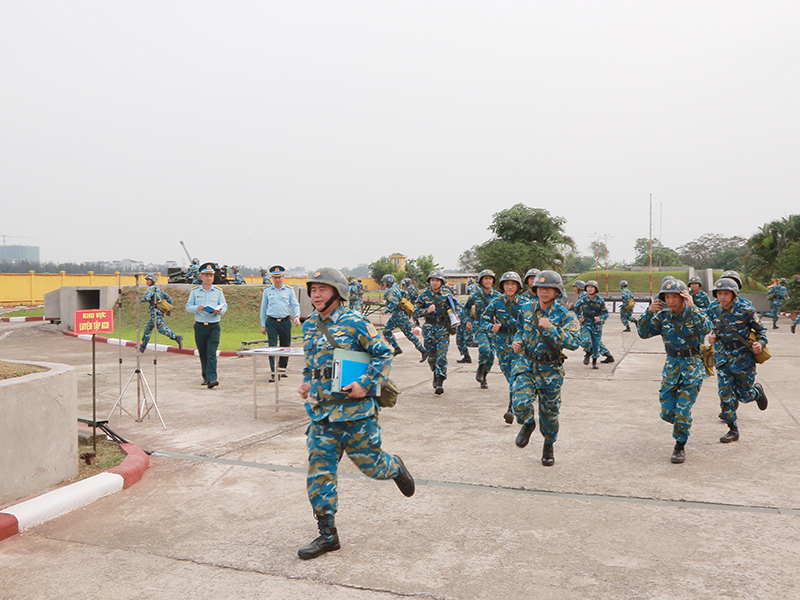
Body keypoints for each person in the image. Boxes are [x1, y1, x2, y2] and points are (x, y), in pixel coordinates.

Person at [297, 267, 414, 560]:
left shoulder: (356, 322)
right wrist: (307, 380)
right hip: (323, 415)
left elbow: (384, 353)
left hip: (356, 413)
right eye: (313, 290)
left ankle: (394, 467)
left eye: (322, 289)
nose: (316, 294)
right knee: (319, 472)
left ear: (337, 292)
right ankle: (328, 535)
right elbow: (311, 361)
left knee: (371, 466)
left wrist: (365, 383)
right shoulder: (310, 325)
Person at [636, 279, 711, 464]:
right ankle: (681, 423)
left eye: (674, 297)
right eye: (667, 297)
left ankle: (680, 445)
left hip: (692, 367)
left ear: (683, 297)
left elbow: (707, 328)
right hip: (671, 368)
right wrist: (648, 312)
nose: (671, 301)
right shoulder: (663, 316)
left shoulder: (694, 313)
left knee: (682, 411)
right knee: (667, 412)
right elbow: (643, 333)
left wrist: (692, 308)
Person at [510, 271, 581, 466]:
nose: (543, 291)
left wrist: (552, 329)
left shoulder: (565, 315)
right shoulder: (526, 309)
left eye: (548, 288)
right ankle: (528, 423)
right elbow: (519, 329)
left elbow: (575, 342)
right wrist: (517, 341)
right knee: (520, 400)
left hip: (550, 369)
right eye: (540, 288)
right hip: (527, 364)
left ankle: (548, 444)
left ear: (556, 291)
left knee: (549, 416)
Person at [706, 277, 769, 443]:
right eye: (719, 293)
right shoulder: (713, 308)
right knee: (724, 394)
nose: (722, 297)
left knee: (744, 395)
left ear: (733, 294)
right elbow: (710, 326)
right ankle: (733, 430)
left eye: (726, 293)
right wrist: (713, 336)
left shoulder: (745, 308)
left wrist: (760, 345)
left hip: (743, 359)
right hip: (723, 358)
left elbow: (761, 332)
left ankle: (757, 392)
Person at [482, 271, 524, 424]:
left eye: (513, 284)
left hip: (519, 345)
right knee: (509, 375)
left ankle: (511, 408)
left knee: (515, 376)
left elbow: (533, 322)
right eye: (507, 284)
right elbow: (483, 319)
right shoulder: (496, 302)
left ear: (518, 286)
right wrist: (490, 327)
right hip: (501, 346)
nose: (510, 287)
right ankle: (520, 396)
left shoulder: (525, 303)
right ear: (502, 286)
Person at [185, 262, 227, 389]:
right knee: (203, 353)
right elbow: (188, 307)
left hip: (214, 325)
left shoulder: (218, 292)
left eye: (211, 275)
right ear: (201, 277)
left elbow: (224, 306)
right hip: (200, 325)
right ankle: (206, 376)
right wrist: (196, 308)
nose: (209, 278)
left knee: (211, 352)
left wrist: (220, 310)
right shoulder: (195, 292)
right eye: (206, 275)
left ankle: (212, 378)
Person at [260, 264, 302, 382]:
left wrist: (297, 316)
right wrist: (263, 325)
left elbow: (294, 304)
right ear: (272, 278)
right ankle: (274, 372)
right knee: (272, 347)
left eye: (279, 277)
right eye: (275, 277)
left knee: (285, 346)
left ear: (283, 277)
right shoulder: (267, 291)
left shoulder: (289, 290)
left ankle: (282, 369)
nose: (277, 280)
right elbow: (263, 308)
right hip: (272, 321)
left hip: (285, 321)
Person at [414, 270, 453, 395]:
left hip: (442, 328)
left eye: (437, 280)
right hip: (429, 328)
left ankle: (440, 380)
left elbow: (456, 308)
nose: (435, 283)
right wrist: (427, 311)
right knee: (432, 357)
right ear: (429, 282)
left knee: (442, 356)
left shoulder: (447, 294)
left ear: (441, 282)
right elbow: (415, 311)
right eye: (433, 280)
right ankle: (435, 373)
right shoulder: (423, 295)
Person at [463, 269, 500, 389]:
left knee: (491, 356)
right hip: (480, 326)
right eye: (486, 278)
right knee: (485, 349)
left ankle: (484, 375)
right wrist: (467, 320)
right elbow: (466, 309)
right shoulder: (475, 295)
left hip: (493, 328)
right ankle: (480, 367)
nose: (488, 280)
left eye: (490, 278)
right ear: (481, 281)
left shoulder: (498, 296)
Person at [381, 273, 426, 360]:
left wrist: (386, 311)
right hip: (402, 314)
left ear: (387, 282)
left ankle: (397, 348)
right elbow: (404, 293)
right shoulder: (396, 286)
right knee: (409, 334)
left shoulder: (390, 291)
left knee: (386, 331)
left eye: (384, 282)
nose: (383, 284)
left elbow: (394, 302)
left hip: (397, 316)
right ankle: (422, 350)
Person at [574, 280, 614, 368]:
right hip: (586, 323)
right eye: (588, 287)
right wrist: (579, 317)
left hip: (596, 325)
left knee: (596, 344)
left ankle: (594, 361)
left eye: (592, 287)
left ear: (596, 289)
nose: (590, 289)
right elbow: (576, 308)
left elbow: (606, 313)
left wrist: (600, 318)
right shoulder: (583, 299)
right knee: (585, 340)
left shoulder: (600, 300)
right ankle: (588, 352)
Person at [138, 273, 183, 352]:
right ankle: (143, 346)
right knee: (148, 328)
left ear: (153, 281)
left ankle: (176, 337)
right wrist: (169, 311)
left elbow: (146, 297)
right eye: (147, 280)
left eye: (149, 280)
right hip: (156, 313)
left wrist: (143, 298)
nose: (147, 282)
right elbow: (169, 299)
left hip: (156, 313)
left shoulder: (151, 289)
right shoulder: (159, 289)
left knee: (162, 329)